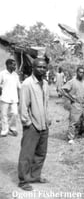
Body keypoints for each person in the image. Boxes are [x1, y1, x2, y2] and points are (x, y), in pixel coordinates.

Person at [18, 58, 51, 191]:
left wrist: (47, 119)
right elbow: (23, 107)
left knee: (41, 153)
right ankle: (23, 181)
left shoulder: (46, 84)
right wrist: (28, 123)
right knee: (27, 154)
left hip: (44, 125)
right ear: (33, 68)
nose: (42, 70)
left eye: (44, 67)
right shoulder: (27, 84)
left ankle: (35, 176)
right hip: (32, 125)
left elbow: (46, 104)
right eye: (39, 67)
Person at [62, 66, 84, 144]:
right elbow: (63, 90)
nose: (81, 74)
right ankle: (70, 138)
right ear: (77, 72)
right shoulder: (72, 81)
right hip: (76, 104)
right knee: (74, 121)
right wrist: (71, 98)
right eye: (80, 72)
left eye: (83, 72)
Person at [0, 59, 21, 137]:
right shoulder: (2, 74)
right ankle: (4, 130)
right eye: (13, 65)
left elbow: (19, 86)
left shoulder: (16, 75)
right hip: (4, 97)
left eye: (15, 65)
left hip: (14, 98)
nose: (15, 66)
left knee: (15, 113)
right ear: (8, 65)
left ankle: (12, 128)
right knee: (4, 114)